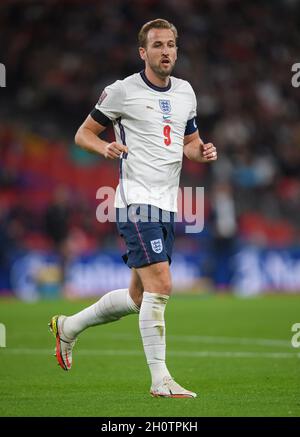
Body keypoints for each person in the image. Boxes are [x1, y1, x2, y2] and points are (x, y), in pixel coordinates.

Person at [49, 18, 217, 398]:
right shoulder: (122, 91)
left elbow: (189, 142)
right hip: (134, 201)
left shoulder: (187, 92)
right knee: (162, 284)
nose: (166, 51)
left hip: (167, 203)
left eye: (171, 44)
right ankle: (161, 381)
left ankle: (68, 327)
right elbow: (83, 134)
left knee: (140, 297)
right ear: (144, 52)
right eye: (158, 45)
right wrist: (104, 147)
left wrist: (202, 152)